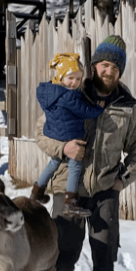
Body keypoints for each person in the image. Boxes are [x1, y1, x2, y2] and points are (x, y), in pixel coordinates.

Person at [34, 35, 136, 271]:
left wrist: (121, 181)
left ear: (120, 71)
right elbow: (40, 133)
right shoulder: (70, 90)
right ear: (94, 65)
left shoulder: (128, 108)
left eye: (114, 65)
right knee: (63, 255)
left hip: (104, 193)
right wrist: (64, 147)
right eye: (103, 63)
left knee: (104, 259)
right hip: (65, 189)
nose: (107, 70)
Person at [31, 52, 105, 218]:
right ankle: (70, 202)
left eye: (78, 79)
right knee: (75, 166)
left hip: (57, 133)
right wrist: (99, 108)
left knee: (53, 162)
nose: (75, 83)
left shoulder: (49, 92)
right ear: (60, 76)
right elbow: (86, 111)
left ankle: (37, 190)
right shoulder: (69, 96)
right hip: (70, 136)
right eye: (70, 78)